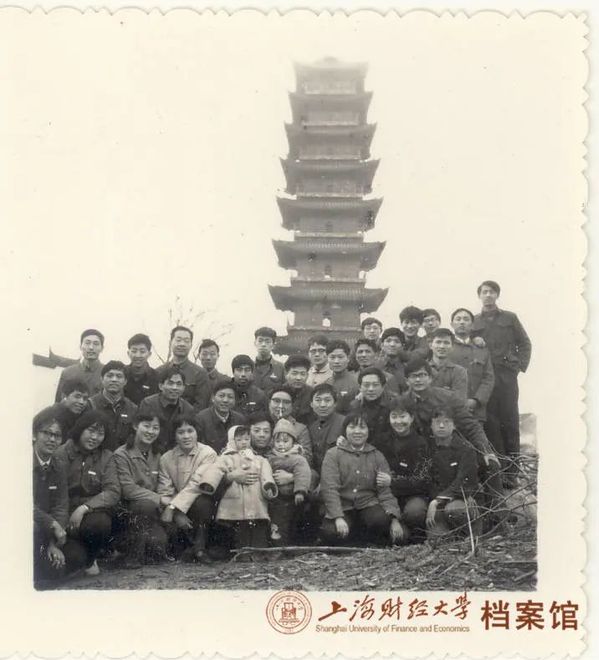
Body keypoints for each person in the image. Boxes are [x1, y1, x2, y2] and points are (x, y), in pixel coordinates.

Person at [472, 280, 532, 488]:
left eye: (492, 291)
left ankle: (512, 473)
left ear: (497, 295)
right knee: (491, 424)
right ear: (479, 295)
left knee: (510, 422)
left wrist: (518, 366)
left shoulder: (510, 318)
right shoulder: (474, 321)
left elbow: (525, 343)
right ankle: (497, 471)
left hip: (507, 377)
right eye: (484, 292)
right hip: (485, 379)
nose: (488, 295)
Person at [319, 413, 406, 546]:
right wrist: (337, 517)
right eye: (352, 427)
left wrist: (394, 519)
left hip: (368, 505)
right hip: (343, 506)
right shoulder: (333, 454)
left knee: (381, 522)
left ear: (368, 431)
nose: (357, 431)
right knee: (331, 532)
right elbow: (329, 489)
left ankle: (363, 539)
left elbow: (385, 492)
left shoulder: (377, 456)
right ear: (345, 430)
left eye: (362, 427)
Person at [54, 410, 121, 576]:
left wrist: (84, 508)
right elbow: (55, 494)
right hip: (62, 513)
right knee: (71, 560)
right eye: (91, 431)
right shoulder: (60, 453)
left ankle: (91, 558)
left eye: (100, 434)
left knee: (100, 523)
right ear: (80, 429)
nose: (94, 437)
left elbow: (112, 491)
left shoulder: (107, 456)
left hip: (90, 513)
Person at [200, 425, 278, 553]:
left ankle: (258, 552)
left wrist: (268, 485)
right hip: (235, 500)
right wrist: (209, 482)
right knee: (238, 530)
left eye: (247, 439)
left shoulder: (259, 459)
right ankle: (241, 553)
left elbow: (266, 474)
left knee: (258, 526)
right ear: (232, 441)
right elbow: (216, 470)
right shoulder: (226, 458)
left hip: (255, 499)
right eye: (239, 439)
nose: (244, 442)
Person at [32, 409, 88, 585]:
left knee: (78, 556)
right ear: (34, 435)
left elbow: (61, 506)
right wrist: (52, 524)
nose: (52, 439)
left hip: (48, 533)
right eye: (46, 433)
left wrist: (53, 544)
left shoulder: (59, 465)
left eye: (56, 435)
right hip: (29, 528)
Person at [158, 415, 218, 562]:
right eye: (181, 432)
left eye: (190, 431)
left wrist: (173, 507)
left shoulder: (208, 453)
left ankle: (199, 548)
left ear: (197, 432)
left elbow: (197, 484)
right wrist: (177, 513)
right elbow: (165, 490)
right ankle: (186, 549)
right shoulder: (166, 458)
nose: (186, 436)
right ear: (174, 435)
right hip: (176, 507)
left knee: (203, 503)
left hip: (198, 501)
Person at [112, 413, 170, 565]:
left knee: (158, 545)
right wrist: (159, 499)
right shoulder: (121, 454)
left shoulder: (158, 454)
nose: (151, 431)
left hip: (153, 511)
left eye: (155, 428)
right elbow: (127, 488)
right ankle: (133, 556)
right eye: (146, 426)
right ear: (135, 426)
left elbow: (164, 482)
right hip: (128, 510)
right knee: (145, 506)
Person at [376, 402, 432, 541]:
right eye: (394, 416)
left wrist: (393, 481)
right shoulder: (381, 440)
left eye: (403, 416)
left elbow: (422, 480)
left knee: (415, 512)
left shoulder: (421, 443)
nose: (398, 421)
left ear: (411, 418)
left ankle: (415, 536)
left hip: (412, 495)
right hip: (386, 495)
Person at [426, 409, 481, 537]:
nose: (441, 426)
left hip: (459, 499)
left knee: (454, 510)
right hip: (437, 501)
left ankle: (471, 534)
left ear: (454, 425)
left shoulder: (466, 449)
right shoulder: (428, 448)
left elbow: (463, 480)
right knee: (437, 540)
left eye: (446, 422)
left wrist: (437, 501)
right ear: (431, 425)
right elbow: (427, 479)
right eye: (437, 422)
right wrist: (434, 500)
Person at [266, 419, 312, 545]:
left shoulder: (298, 459)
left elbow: (303, 473)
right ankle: (278, 545)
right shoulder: (269, 457)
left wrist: (300, 491)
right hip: (276, 498)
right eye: (278, 441)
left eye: (285, 441)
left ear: (293, 442)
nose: (281, 445)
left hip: (293, 497)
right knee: (278, 523)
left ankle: (293, 545)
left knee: (294, 522)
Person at [450, 308, 495, 423]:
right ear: (452, 324)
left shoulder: (481, 349)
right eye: (458, 319)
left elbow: (488, 378)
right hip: (450, 412)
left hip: (476, 412)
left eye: (466, 319)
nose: (462, 322)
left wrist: (476, 400)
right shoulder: (445, 347)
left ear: (472, 325)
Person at [137, 367, 195, 453]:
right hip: (151, 451)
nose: (174, 388)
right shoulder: (148, 403)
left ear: (183, 388)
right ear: (161, 386)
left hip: (176, 453)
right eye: (170, 383)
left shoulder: (188, 409)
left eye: (179, 384)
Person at [156, 326, 211, 411]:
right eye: (178, 340)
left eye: (186, 341)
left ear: (191, 345)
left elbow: (201, 405)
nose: (182, 344)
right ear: (170, 342)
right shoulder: (159, 371)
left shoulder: (200, 373)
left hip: (189, 418)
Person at [89, 361, 138, 451]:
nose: (114, 380)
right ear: (102, 379)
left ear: (125, 381)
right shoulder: (90, 405)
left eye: (119, 376)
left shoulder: (132, 408)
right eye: (110, 375)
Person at [195, 380, 246, 454]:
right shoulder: (201, 419)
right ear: (213, 398)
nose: (225, 400)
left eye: (230, 397)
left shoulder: (240, 419)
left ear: (235, 400)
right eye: (221, 396)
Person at [267, 386, 314, 467]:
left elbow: (307, 457)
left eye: (286, 402)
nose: (281, 406)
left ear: (292, 406)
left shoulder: (300, 429)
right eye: (276, 401)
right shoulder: (262, 424)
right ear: (269, 403)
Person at [349, 367, 399, 440]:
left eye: (375, 385)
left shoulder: (394, 403)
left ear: (383, 386)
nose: (371, 389)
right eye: (366, 385)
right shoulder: (355, 406)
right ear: (360, 387)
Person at [55, 329, 105, 402]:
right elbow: (58, 403)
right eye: (87, 343)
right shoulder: (68, 372)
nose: (91, 347)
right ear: (80, 346)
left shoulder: (107, 373)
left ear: (102, 348)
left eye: (96, 344)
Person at [308, 383, 346, 476]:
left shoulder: (344, 423)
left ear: (335, 403)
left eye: (327, 400)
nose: (322, 405)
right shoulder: (312, 427)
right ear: (311, 404)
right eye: (318, 400)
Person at [429, 328, 469, 401]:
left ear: (452, 347)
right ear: (430, 345)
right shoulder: (422, 368)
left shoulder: (459, 371)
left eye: (446, 343)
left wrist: (430, 390)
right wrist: (448, 392)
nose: (442, 346)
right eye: (438, 342)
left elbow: (460, 399)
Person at [124, 333, 159, 405]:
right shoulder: (121, 374)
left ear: (149, 354)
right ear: (128, 353)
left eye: (142, 351)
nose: (138, 355)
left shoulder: (157, 377)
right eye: (134, 351)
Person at [326, 340, 360, 412]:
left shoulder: (357, 382)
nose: (336, 361)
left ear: (348, 358)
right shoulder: (327, 383)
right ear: (327, 359)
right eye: (332, 357)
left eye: (340, 357)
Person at [253, 326, 285, 394]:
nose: (263, 344)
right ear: (255, 343)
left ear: (273, 345)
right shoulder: (249, 367)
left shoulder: (281, 368)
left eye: (267, 341)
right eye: (260, 341)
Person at [284, 355, 315, 425]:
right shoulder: (278, 392)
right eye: (294, 373)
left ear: (307, 376)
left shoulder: (313, 394)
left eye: (302, 374)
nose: (298, 378)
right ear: (286, 374)